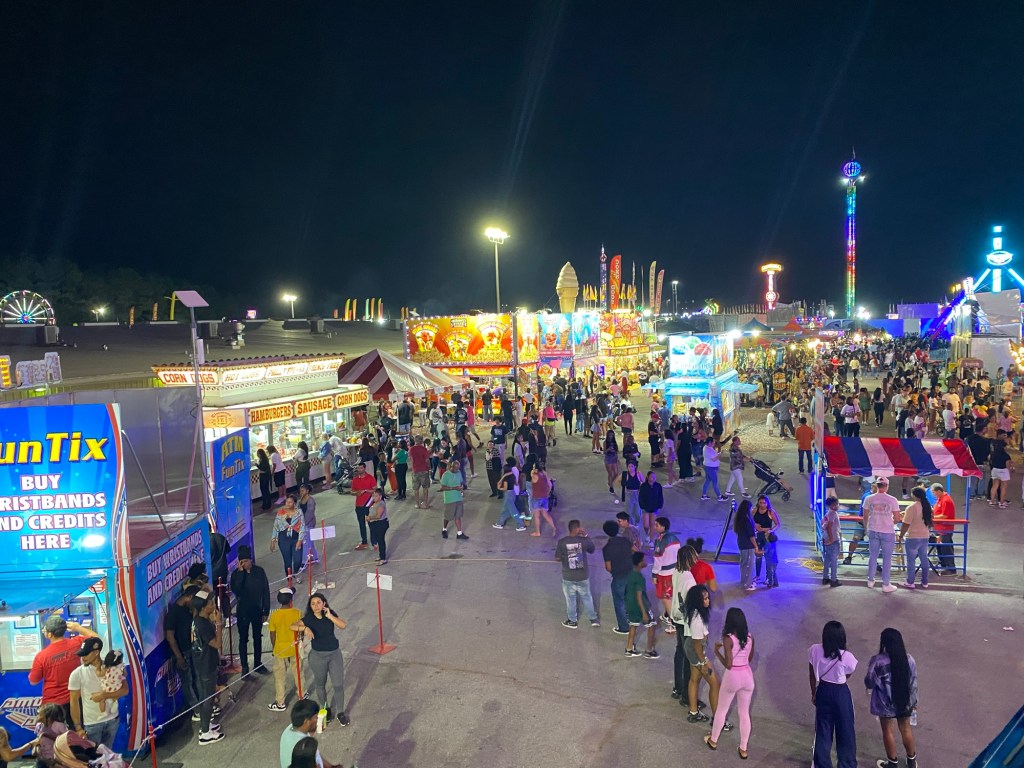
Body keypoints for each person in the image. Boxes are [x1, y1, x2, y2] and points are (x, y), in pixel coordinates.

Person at [291, 593, 350, 728]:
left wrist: (329, 616)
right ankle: (325, 709)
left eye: (319, 602)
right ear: (310, 606)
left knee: (338, 685)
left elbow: (343, 625)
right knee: (320, 685)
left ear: (324, 603)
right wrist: (305, 628)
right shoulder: (308, 619)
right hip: (318, 657)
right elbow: (292, 626)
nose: (316, 606)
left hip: (334, 655)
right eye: (313, 603)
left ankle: (340, 712)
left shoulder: (330, 614)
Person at [29, 615, 99, 724]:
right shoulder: (76, 643)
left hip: (53, 706)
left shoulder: (42, 656)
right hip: (75, 700)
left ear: (50, 634)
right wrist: (78, 627)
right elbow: (96, 639)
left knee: (53, 737)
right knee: (75, 735)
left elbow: (33, 681)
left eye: (45, 630)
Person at [865, 628, 919, 768]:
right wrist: (915, 701)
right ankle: (911, 762)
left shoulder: (877, 661)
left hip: (885, 704)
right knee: (906, 729)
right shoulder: (909, 659)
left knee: (888, 731)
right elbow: (913, 682)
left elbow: (869, 682)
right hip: (905, 702)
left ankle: (892, 763)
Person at [705, 607, 755, 759]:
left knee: (722, 709)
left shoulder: (728, 639)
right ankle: (743, 748)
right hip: (747, 676)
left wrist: (717, 652)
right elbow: (749, 659)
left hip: (733, 676)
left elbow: (728, 664)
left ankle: (713, 740)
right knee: (744, 713)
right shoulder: (750, 637)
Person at [809, 620, 858, 768]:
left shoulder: (815, 650)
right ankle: (847, 764)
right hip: (840, 692)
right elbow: (849, 673)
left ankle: (821, 764)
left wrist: (814, 692)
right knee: (845, 730)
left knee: (823, 730)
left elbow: (811, 673)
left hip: (823, 689)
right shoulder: (847, 656)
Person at [67, 638, 125, 748]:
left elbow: (125, 690)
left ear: (96, 652)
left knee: (108, 756)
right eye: (81, 654)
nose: (82, 657)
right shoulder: (77, 674)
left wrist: (104, 695)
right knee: (93, 759)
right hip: (92, 724)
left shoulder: (112, 667)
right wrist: (78, 728)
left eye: (85, 654)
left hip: (113, 720)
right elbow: (73, 702)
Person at [683, 584, 724, 727]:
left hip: (694, 648)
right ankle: (718, 721)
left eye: (707, 598)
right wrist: (704, 663)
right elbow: (696, 645)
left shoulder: (697, 613)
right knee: (715, 683)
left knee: (694, 679)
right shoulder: (697, 620)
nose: (708, 601)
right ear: (697, 601)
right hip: (696, 651)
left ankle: (693, 713)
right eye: (704, 599)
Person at [229, 544, 271, 675]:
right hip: (243, 611)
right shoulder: (236, 575)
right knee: (243, 639)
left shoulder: (259, 571)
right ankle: (244, 667)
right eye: (243, 561)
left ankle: (258, 664)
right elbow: (237, 591)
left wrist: (266, 610)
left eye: (247, 560)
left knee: (257, 637)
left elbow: (265, 591)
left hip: (256, 610)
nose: (246, 563)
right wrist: (241, 574)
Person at [189, 590, 225, 744]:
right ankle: (205, 733)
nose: (213, 605)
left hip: (201, 663)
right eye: (210, 603)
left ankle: (206, 725)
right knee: (208, 699)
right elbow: (217, 644)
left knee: (205, 697)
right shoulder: (203, 625)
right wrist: (218, 623)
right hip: (206, 665)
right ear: (204, 607)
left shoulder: (197, 620)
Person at [164, 584, 202, 719]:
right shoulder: (174, 612)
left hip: (192, 649)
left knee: (197, 678)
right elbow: (170, 636)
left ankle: (202, 705)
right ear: (189, 597)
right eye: (195, 600)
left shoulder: (188, 609)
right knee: (187, 681)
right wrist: (179, 656)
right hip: (183, 653)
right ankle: (197, 710)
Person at [555, 520, 599, 629]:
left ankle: (572, 621)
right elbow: (592, 549)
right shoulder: (584, 541)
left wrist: (566, 557)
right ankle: (593, 619)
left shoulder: (562, 542)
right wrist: (586, 535)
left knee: (570, 600)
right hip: (582, 576)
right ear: (578, 529)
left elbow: (557, 558)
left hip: (568, 576)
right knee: (587, 597)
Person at [669, 545, 699, 705]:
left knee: (679, 651)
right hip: (685, 620)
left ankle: (678, 688)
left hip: (676, 616)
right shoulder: (689, 579)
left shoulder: (676, 572)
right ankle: (688, 696)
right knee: (689, 657)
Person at [862, 476, 903, 592]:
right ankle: (886, 584)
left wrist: (866, 528)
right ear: (887, 486)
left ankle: (870, 580)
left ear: (877, 485)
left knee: (873, 556)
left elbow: (865, 516)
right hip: (887, 531)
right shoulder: (892, 500)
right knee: (887, 558)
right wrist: (890, 521)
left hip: (873, 530)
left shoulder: (869, 498)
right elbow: (897, 517)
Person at [267, 587, 303, 712]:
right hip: (295, 647)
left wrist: (274, 648)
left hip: (280, 650)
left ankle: (280, 702)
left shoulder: (274, 615)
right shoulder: (297, 613)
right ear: (291, 600)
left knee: (280, 676)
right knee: (298, 671)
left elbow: (272, 634)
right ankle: (301, 694)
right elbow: (300, 630)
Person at [279, 699, 338, 768]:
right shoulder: (302, 746)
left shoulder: (291, 728)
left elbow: (316, 754)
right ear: (306, 722)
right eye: (316, 717)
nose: (318, 719)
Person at [624, 551, 658, 658]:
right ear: (639, 563)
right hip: (641, 606)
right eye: (643, 560)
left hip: (630, 605)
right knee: (651, 626)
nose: (646, 561)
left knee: (633, 626)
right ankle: (649, 650)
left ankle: (629, 649)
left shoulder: (630, 574)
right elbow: (639, 597)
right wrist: (644, 613)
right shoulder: (640, 578)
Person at [602, 520, 633, 636]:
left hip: (618, 577)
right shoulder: (625, 541)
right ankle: (631, 618)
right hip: (630, 573)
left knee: (619, 601)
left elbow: (608, 567)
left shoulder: (607, 548)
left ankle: (624, 627)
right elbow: (635, 550)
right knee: (628, 597)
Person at [897, 487, 932, 589]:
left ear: (914, 495)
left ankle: (910, 582)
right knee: (924, 559)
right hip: (925, 536)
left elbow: (906, 524)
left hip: (912, 537)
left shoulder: (911, 507)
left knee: (911, 561)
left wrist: (901, 535)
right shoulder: (927, 506)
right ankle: (925, 582)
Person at [650, 516, 680, 630]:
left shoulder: (660, 541)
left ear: (663, 527)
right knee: (671, 596)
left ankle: (673, 623)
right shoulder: (675, 538)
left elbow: (658, 560)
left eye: (656, 525)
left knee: (665, 598)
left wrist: (654, 575)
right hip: (674, 572)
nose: (655, 527)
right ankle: (668, 616)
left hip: (664, 574)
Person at [271, 495, 306, 581]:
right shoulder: (281, 512)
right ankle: (289, 578)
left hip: (295, 539)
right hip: (284, 539)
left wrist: (300, 540)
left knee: (298, 559)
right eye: (286, 502)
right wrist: (273, 541)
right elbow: (276, 526)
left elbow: (302, 526)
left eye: (290, 502)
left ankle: (296, 573)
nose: (288, 503)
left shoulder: (299, 512)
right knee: (287, 561)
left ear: (294, 503)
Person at [752, 494, 781, 588]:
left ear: (767, 503)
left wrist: (771, 530)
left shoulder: (771, 512)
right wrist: (755, 525)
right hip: (758, 535)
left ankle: (769, 578)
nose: (762, 505)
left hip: (767, 536)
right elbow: (749, 520)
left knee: (769, 558)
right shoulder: (755, 510)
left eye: (764, 503)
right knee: (758, 556)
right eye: (760, 503)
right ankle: (757, 575)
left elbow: (778, 524)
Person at [733, 499, 761, 591]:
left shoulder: (740, 518)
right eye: (751, 507)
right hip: (748, 546)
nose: (752, 509)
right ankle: (746, 584)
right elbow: (751, 536)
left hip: (742, 544)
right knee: (748, 565)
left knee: (744, 564)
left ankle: (744, 581)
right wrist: (756, 546)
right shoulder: (746, 520)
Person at [440, 458, 470, 540]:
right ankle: (444, 529)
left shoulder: (459, 472)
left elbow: (460, 482)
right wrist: (454, 488)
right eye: (455, 468)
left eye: (458, 468)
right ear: (451, 466)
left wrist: (461, 487)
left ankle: (459, 533)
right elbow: (442, 487)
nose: (456, 470)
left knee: (458, 516)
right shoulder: (446, 474)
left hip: (458, 498)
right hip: (449, 499)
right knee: (448, 517)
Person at [350, 462, 376, 551]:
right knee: (361, 524)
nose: (359, 470)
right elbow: (352, 491)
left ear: (364, 468)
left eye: (361, 468)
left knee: (371, 523)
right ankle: (364, 542)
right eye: (358, 468)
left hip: (368, 504)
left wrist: (365, 491)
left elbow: (374, 490)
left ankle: (374, 542)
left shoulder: (370, 478)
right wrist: (356, 493)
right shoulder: (355, 479)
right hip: (358, 505)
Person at [820, 497, 842, 587]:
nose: (837, 506)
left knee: (827, 559)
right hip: (833, 540)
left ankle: (825, 578)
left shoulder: (828, 513)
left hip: (826, 538)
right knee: (834, 560)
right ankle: (833, 579)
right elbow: (829, 526)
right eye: (836, 504)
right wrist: (832, 539)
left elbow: (823, 524)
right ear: (832, 505)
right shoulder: (833, 514)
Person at [637, 471, 664, 547]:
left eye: (654, 477)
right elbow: (640, 497)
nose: (653, 478)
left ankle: (651, 541)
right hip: (645, 508)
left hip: (654, 508)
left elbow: (660, 496)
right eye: (652, 476)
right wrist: (642, 506)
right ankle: (647, 533)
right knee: (646, 525)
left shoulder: (658, 486)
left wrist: (659, 505)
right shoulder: (643, 486)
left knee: (652, 524)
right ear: (648, 477)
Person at [367, 486, 390, 565]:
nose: (373, 497)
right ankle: (381, 556)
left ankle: (383, 558)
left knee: (381, 541)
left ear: (380, 496)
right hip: (376, 524)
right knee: (379, 540)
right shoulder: (375, 503)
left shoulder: (381, 504)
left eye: (375, 496)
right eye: (373, 495)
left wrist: (369, 517)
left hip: (381, 524)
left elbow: (378, 516)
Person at [298, 484, 319, 567]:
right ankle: (315, 557)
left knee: (306, 543)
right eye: (300, 491)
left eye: (302, 491)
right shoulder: (301, 500)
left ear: (307, 491)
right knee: (310, 541)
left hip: (308, 524)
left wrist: (303, 524)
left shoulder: (311, 501)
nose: (301, 492)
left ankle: (304, 561)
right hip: (303, 523)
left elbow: (310, 514)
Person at [700, 437, 727, 501]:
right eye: (713, 442)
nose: (714, 443)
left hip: (708, 466)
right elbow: (714, 459)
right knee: (715, 482)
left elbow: (713, 456)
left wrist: (718, 454)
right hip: (710, 468)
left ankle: (704, 495)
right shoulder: (708, 449)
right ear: (710, 442)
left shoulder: (707, 447)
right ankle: (719, 496)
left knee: (707, 480)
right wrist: (720, 454)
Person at [409, 435, 432, 509]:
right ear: (422, 441)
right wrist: (429, 468)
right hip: (424, 470)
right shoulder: (424, 449)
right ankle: (425, 504)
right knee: (425, 487)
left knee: (416, 488)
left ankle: (417, 504)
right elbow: (427, 460)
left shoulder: (411, 449)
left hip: (415, 470)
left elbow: (411, 459)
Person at [603, 429, 620, 502]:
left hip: (614, 458)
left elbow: (617, 450)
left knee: (616, 473)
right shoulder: (605, 442)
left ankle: (611, 483)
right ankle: (611, 486)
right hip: (608, 459)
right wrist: (608, 449)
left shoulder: (614, 442)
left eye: (612, 435)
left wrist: (616, 455)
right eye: (610, 435)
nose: (611, 437)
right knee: (611, 473)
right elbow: (604, 452)